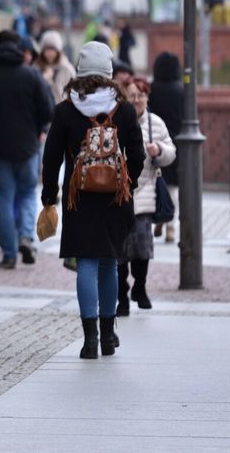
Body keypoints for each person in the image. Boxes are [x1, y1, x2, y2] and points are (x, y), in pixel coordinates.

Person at [41, 42, 145, 359]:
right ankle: (109, 332)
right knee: (109, 262)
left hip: (78, 197)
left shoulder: (65, 110)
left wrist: (49, 197)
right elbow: (138, 155)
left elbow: (52, 158)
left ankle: (89, 340)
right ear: (109, 72)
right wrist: (128, 182)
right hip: (115, 197)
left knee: (86, 262)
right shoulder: (124, 109)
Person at [0, 30, 54, 269]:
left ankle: (9, 254)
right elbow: (48, 110)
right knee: (28, 193)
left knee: (4, 200)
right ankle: (26, 236)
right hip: (28, 147)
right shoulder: (32, 76)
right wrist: (38, 128)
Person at [117, 75, 175, 316]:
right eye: (132, 96)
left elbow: (171, 151)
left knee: (142, 246)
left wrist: (159, 150)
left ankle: (139, 286)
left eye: (141, 95)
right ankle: (121, 294)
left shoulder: (155, 124)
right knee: (120, 250)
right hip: (119, 193)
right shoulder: (118, 120)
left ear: (147, 97)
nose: (137, 100)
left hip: (145, 191)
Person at [147, 52, 183, 243]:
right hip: (177, 144)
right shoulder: (182, 90)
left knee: (155, 183)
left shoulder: (153, 89)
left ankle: (160, 217)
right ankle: (170, 227)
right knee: (173, 188)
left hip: (156, 142)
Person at [35, 30, 75, 105]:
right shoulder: (37, 68)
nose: (49, 53)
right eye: (47, 49)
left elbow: (73, 93)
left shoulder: (67, 69)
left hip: (62, 111)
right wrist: (44, 79)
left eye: (52, 49)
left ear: (58, 50)